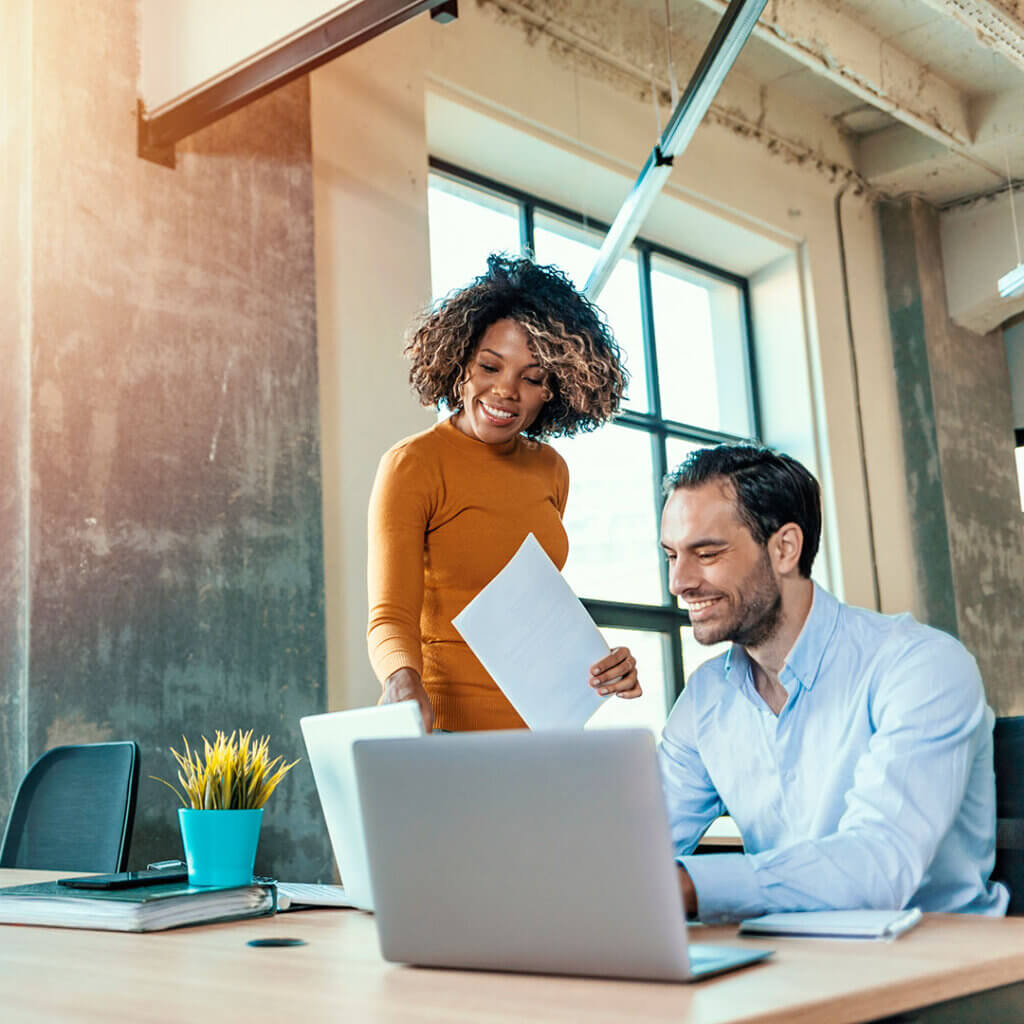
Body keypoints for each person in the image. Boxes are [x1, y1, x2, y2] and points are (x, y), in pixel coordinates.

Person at [658, 443, 1008, 922]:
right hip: (796, 958)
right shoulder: (705, 699)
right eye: (671, 556)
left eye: (707, 553)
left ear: (784, 548)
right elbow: (640, 845)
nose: (679, 581)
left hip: (946, 966)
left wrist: (687, 886)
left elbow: (879, 867)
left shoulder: (920, 667)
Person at [367, 254, 641, 732]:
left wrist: (604, 665)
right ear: (459, 363)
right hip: (446, 730)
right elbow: (390, 614)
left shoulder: (551, 471)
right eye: (490, 367)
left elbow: (534, 611)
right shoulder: (414, 464)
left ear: (553, 389)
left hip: (544, 733)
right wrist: (401, 680)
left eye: (531, 378)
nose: (505, 391)